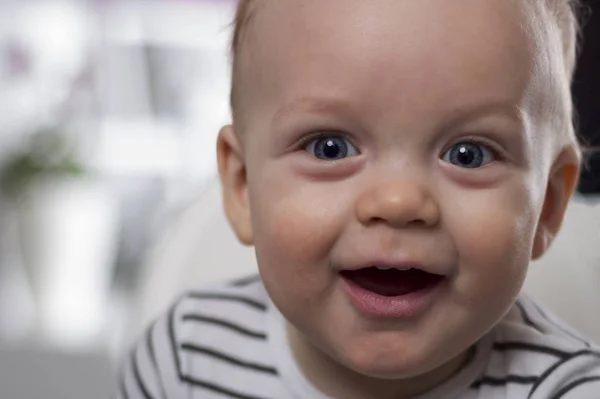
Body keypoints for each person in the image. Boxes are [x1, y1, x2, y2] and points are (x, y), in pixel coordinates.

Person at [117, 0, 600, 398]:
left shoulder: (562, 390)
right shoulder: (185, 359)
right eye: (331, 148)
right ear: (243, 186)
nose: (397, 202)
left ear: (548, 204)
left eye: (468, 154)